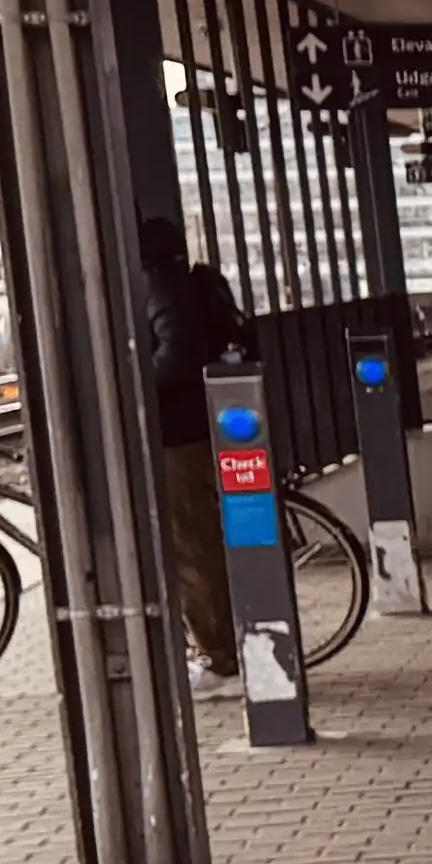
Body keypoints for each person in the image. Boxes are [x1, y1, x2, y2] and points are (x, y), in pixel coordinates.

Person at [136, 210, 249, 681]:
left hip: (178, 436)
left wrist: (137, 388)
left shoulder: (163, 290)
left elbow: (177, 354)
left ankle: (215, 653)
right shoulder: (190, 282)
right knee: (200, 543)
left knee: (191, 549)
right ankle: (216, 643)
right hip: (199, 429)